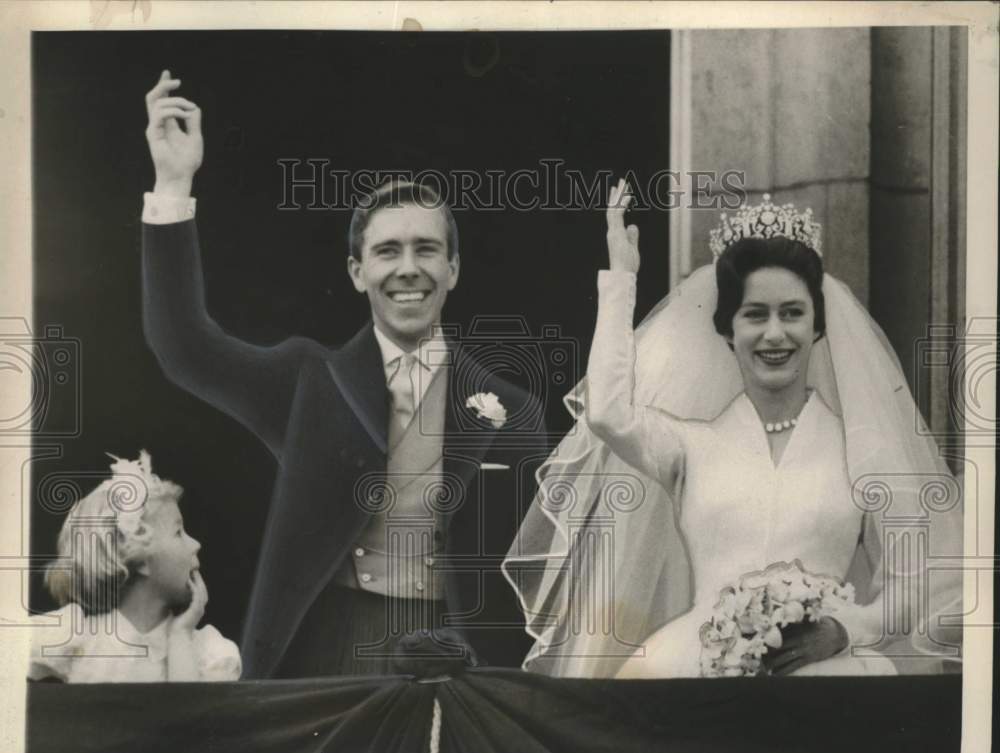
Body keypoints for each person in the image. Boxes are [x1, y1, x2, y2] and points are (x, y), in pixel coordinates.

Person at [140, 71, 546, 678]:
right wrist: (173, 184)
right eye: (387, 251)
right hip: (331, 647)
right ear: (357, 272)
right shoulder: (311, 382)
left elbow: (536, 577)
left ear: (454, 268)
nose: (408, 269)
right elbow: (185, 349)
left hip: (460, 657)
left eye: (426, 249)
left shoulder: (514, 411)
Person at [503, 180, 963, 678]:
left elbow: (911, 586)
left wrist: (847, 629)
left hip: (828, 670)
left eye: (792, 314)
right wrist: (620, 281)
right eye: (754, 315)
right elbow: (608, 413)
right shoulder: (691, 447)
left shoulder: (862, 448)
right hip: (694, 661)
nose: (774, 334)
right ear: (727, 330)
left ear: (818, 326)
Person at [29, 452, 241, 683]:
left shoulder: (208, 651)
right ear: (139, 559)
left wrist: (180, 635)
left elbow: (190, 715)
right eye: (178, 533)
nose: (196, 544)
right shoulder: (77, 635)